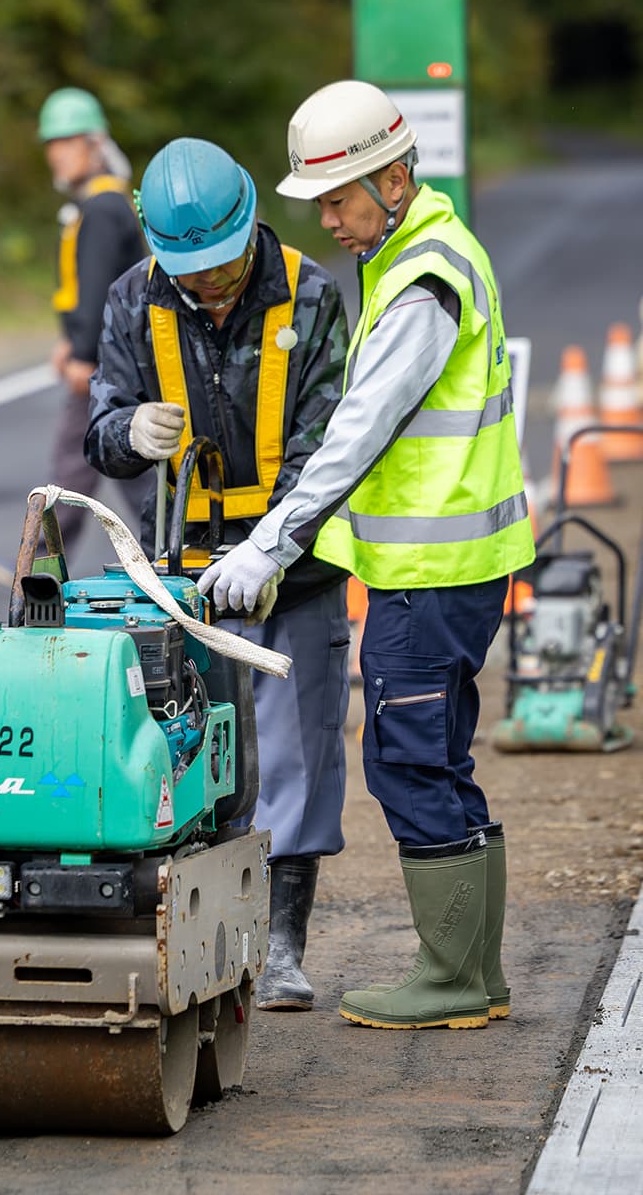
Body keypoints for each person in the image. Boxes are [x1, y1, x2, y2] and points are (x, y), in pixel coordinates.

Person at [198, 81, 536, 1031]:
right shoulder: (422, 251)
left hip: (432, 576)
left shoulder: (424, 278)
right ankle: (476, 975)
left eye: (340, 198)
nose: (330, 220)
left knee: (410, 759)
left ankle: (451, 977)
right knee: (440, 757)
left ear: (392, 180)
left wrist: (269, 544)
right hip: (446, 571)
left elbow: (357, 432)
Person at [85, 137, 351, 1011]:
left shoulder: (310, 297)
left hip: (290, 564)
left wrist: (273, 549)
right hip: (177, 574)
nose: (208, 285)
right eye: (191, 272)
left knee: (296, 755)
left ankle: (281, 947)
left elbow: (326, 450)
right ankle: (193, 935)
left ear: (251, 223)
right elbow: (99, 435)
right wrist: (130, 433)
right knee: (181, 752)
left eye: (223, 268)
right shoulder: (134, 300)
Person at [38, 86, 145, 555]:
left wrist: (83, 353)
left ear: (95, 143)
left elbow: (100, 285)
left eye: (67, 141)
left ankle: (38, 568)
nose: (56, 153)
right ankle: (172, 553)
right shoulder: (105, 203)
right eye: (51, 143)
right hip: (115, 357)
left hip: (105, 361)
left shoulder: (101, 208)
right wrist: (71, 340)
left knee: (78, 466)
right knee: (120, 461)